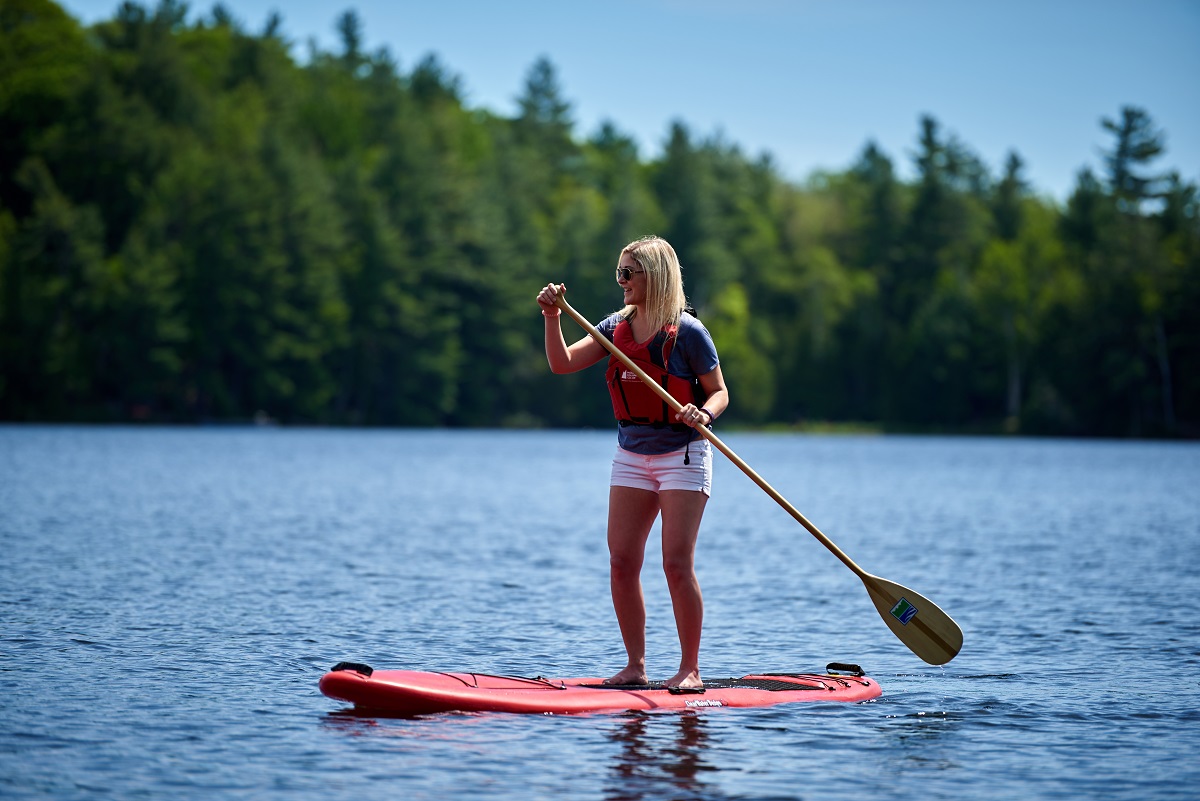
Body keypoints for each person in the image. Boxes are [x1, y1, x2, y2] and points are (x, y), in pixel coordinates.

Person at [536, 235, 729, 689]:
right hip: (631, 455)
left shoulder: (689, 333)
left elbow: (719, 391)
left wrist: (703, 412)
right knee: (622, 561)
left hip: (683, 453)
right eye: (618, 273)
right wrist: (550, 317)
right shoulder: (614, 326)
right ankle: (635, 666)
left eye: (628, 273)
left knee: (675, 563)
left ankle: (689, 670)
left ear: (654, 276)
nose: (620, 281)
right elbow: (561, 364)